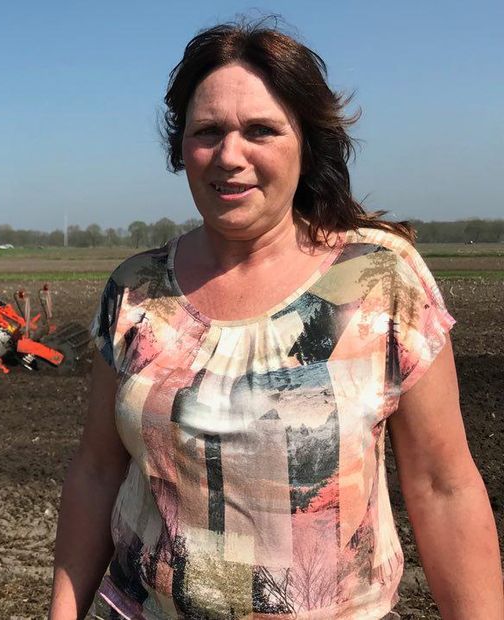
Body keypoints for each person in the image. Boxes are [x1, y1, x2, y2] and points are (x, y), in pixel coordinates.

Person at [50, 19, 502, 620]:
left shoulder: (378, 281)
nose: (229, 156)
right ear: (180, 148)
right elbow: (98, 470)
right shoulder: (136, 291)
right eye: (207, 131)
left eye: (260, 130)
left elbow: (444, 489)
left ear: (306, 144)